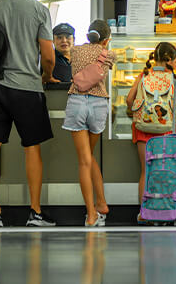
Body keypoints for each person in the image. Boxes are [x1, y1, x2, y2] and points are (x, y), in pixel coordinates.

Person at [0, 0, 57, 228]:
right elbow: (48, 55)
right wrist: (47, 75)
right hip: (27, 87)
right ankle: (35, 212)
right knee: (31, 147)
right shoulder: (38, 10)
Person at [63, 19, 117, 226]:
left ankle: (92, 215)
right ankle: (101, 203)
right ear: (106, 40)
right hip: (98, 104)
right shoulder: (109, 54)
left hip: (77, 101)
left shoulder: (75, 51)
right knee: (89, 156)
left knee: (85, 160)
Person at [126, 42, 176, 224]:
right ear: (170, 60)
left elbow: (129, 101)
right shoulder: (174, 79)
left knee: (146, 171)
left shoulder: (144, 75)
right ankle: (165, 211)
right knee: (166, 171)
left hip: (143, 130)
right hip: (166, 131)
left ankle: (145, 213)